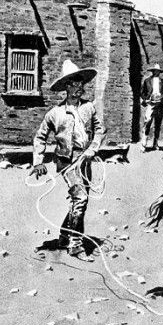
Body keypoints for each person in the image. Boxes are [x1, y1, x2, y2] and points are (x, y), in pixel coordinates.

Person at [30, 60, 105, 262]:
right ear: (66, 87)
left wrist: (93, 148)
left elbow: (99, 130)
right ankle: (75, 245)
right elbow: (40, 137)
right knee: (80, 199)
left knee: (79, 199)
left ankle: (64, 235)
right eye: (73, 83)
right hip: (67, 162)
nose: (78, 87)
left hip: (85, 160)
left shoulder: (89, 108)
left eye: (81, 83)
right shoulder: (55, 113)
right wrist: (38, 161)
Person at [140, 64, 163, 150]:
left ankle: (155, 143)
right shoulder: (147, 81)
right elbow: (142, 92)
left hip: (159, 105)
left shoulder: (162, 82)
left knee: (158, 124)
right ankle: (144, 143)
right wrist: (145, 100)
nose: (157, 72)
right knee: (147, 122)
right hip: (151, 104)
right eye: (155, 71)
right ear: (153, 71)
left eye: (158, 71)